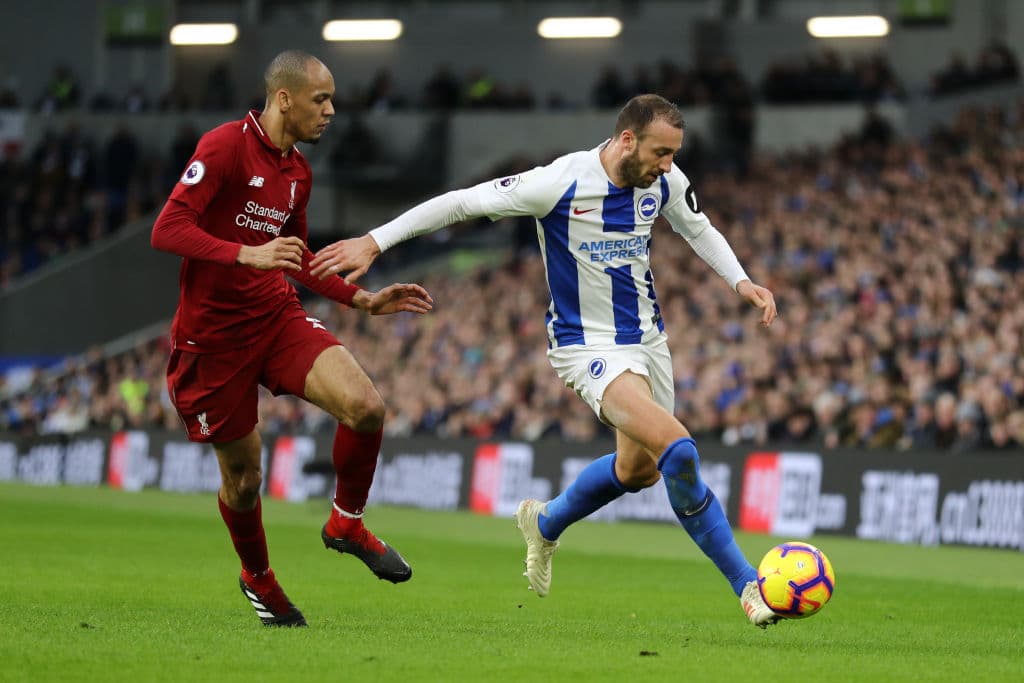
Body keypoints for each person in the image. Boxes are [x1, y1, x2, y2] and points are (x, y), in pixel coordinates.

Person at [308, 94, 781, 628]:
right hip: (587, 347)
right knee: (680, 452)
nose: (668, 165)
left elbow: (699, 229)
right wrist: (376, 240)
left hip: (649, 341)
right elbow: (460, 203)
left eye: (674, 154)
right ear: (627, 140)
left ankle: (547, 521)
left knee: (638, 470)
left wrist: (741, 281)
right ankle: (748, 587)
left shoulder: (663, 184)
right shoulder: (560, 182)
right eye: (661, 152)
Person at [151, 50, 433, 627]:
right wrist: (245, 253)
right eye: (321, 99)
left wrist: (363, 298)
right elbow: (167, 228)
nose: (330, 110)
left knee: (366, 407)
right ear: (284, 99)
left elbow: (298, 258)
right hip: (212, 342)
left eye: (331, 100)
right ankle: (259, 580)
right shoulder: (225, 146)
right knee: (245, 479)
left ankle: (345, 522)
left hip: (274, 317)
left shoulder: (298, 171)